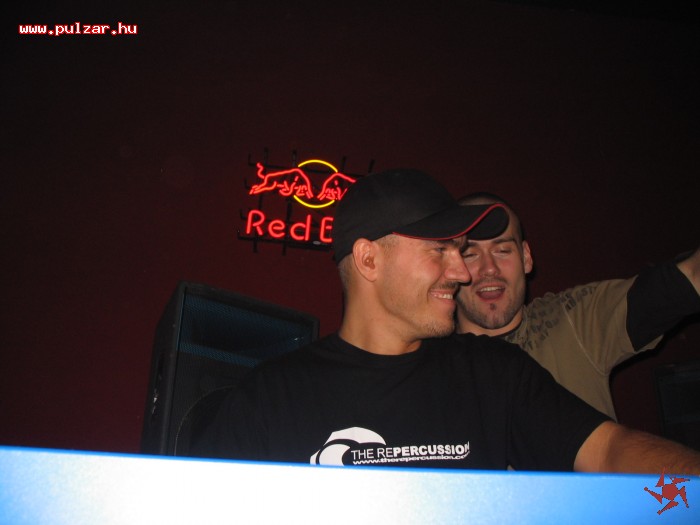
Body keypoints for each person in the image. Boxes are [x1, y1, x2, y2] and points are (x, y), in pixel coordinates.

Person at [194, 169, 700, 474]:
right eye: (441, 250)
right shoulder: (266, 399)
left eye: (461, 250)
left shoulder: (492, 372)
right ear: (369, 260)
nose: (461, 273)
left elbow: (608, 451)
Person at [455, 192, 700, 419]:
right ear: (449, 267)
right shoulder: (437, 364)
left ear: (526, 257)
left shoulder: (576, 319)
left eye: (502, 250)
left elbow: (688, 278)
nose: (489, 269)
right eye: (470, 255)